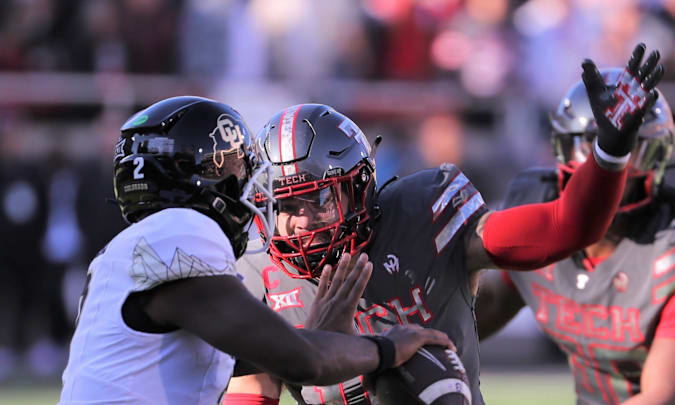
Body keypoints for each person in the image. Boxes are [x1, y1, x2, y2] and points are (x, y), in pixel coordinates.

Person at [225, 44, 664, 405]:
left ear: (358, 188)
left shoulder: (424, 215)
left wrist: (609, 154)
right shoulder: (258, 270)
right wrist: (314, 346)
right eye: (284, 203)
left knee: (415, 362)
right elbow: (250, 394)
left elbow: (565, 227)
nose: (300, 221)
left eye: (318, 199)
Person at [58, 96, 455, 405]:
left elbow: (272, 355)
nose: (248, 192)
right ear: (201, 180)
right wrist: (388, 347)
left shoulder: (133, 249)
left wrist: (314, 338)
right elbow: (301, 360)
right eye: (235, 172)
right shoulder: (181, 232)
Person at [474, 68, 675, 404]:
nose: (614, 179)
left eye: (631, 145)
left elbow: (668, 397)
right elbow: (474, 319)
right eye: (592, 143)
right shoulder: (534, 208)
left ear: (656, 155)